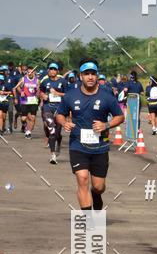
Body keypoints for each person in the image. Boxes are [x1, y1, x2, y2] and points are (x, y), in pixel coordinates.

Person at [56, 60, 124, 210]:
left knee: (98, 187)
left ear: (97, 75)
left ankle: (96, 195)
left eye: (93, 74)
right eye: (87, 74)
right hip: (77, 144)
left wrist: (106, 125)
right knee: (82, 179)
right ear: (81, 76)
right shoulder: (70, 96)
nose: (90, 77)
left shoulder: (107, 96)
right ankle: (87, 221)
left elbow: (120, 116)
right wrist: (64, 123)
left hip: (100, 146)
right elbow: (59, 114)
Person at [39, 62, 66, 164]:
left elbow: (68, 95)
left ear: (57, 71)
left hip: (60, 109)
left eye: (54, 69)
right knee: (52, 130)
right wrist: (42, 95)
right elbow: (40, 91)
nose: (52, 71)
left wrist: (57, 93)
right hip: (48, 108)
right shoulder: (45, 81)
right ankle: (53, 155)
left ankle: (59, 140)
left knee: (57, 132)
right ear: (48, 70)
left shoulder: (63, 82)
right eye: (51, 69)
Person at [13, 65, 40, 137]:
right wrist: (21, 92)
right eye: (28, 72)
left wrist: (37, 91)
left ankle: (28, 132)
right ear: (27, 73)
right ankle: (25, 125)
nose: (30, 73)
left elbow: (38, 90)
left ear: (34, 72)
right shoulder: (23, 79)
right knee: (23, 118)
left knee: (33, 118)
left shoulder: (37, 80)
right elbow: (17, 87)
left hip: (33, 101)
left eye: (31, 72)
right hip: (25, 101)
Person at [0, 68, 13, 134]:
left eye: (1, 80)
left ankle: (6, 127)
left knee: (5, 116)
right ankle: (1, 129)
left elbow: (11, 91)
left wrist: (4, 93)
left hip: (6, 100)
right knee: (0, 115)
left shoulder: (7, 83)